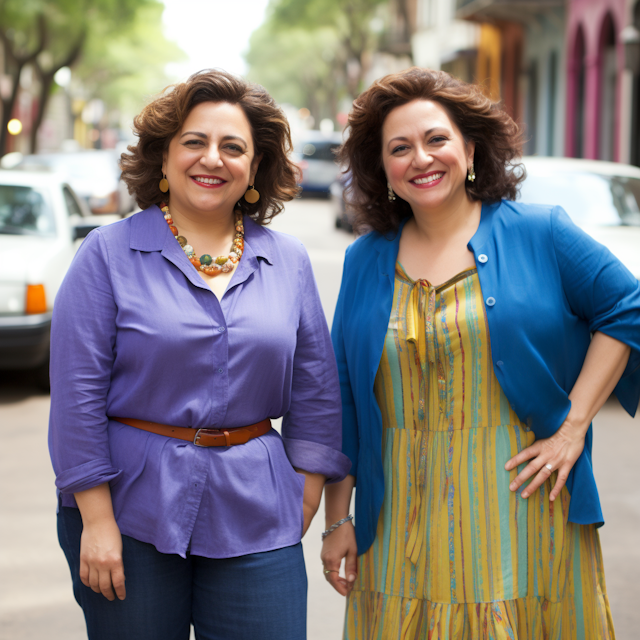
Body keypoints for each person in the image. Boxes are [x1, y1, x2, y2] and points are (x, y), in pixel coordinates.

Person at [321, 67, 640, 639]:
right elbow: (344, 391)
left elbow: (628, 308)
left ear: (468, 149)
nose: (421, 157)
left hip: (520, 517)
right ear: (385, 171)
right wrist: (337, 518)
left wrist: (573, 426)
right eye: (400, 148)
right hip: (397, 524)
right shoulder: (364, 259)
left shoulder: (539, 231)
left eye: (436, 139)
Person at [49, 69, 351, 640]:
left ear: (254, 168)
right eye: (194, 142)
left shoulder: (288, 261)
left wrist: (305, 497)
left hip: (259, 512)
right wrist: (95, 520)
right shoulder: (107, 254)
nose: (212, 158)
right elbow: (75, 398)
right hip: (128, 509)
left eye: (232, 147)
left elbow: (316, 388)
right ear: (164, 160)